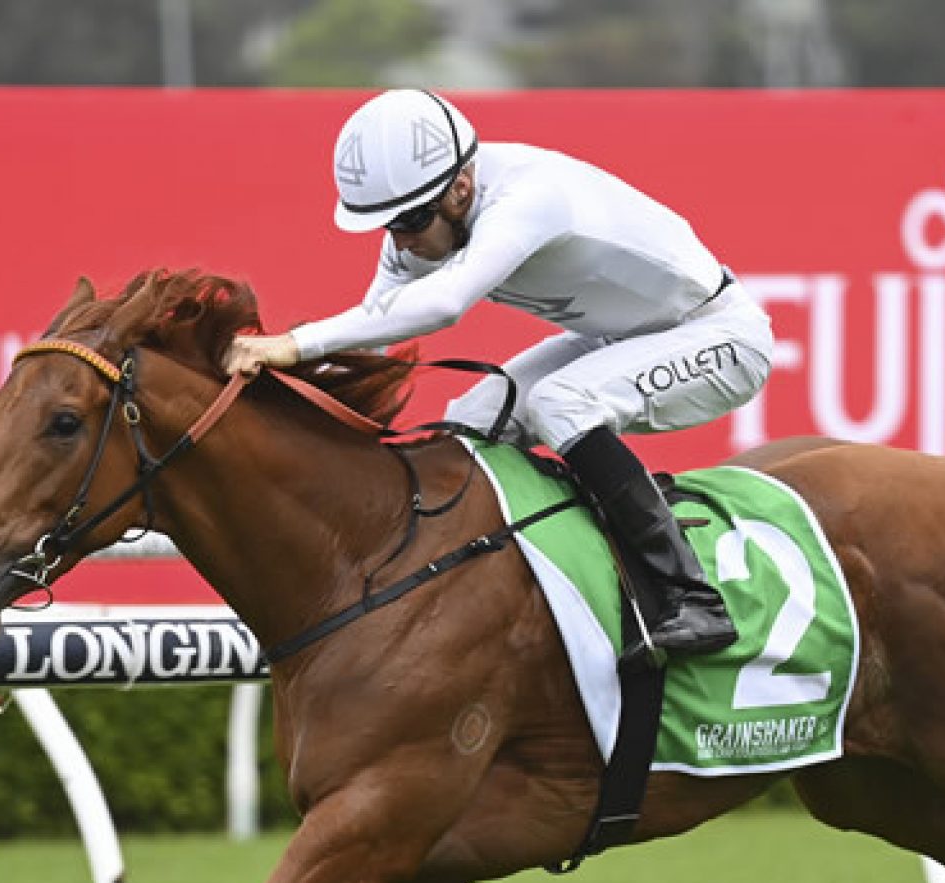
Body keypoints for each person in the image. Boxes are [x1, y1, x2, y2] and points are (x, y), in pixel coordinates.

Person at [224, 88, 774, 657]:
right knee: (466, 425)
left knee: (560, 402)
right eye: (387, 226)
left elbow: (443, 305)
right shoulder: (420, 222)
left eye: (411, 220)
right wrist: (275, 402)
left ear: (461, 188)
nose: (403, 241)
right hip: (619, 336)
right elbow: (373, 345)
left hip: (720, 335)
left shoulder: (529, 195)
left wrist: (291, 344)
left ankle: (692, 596)